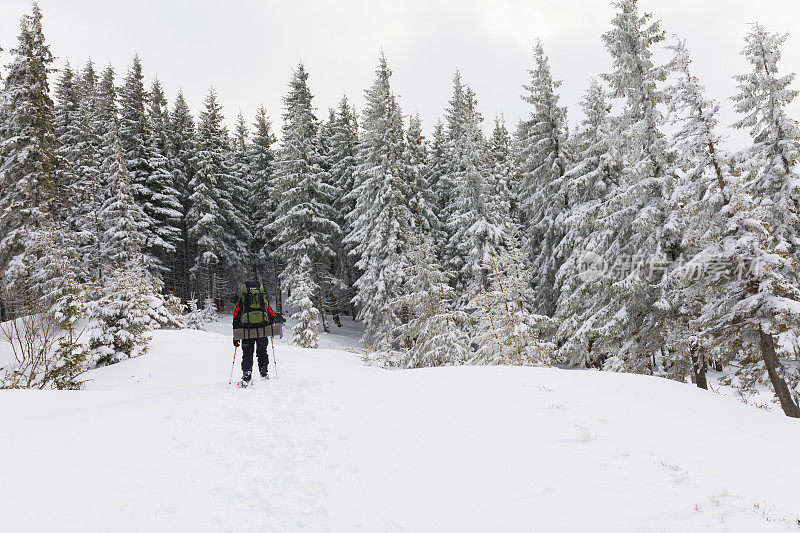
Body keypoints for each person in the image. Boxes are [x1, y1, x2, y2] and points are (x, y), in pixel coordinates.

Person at [233, 279, 281, 386]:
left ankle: (247, 376)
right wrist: (268, 324)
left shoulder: (243, 300)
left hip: (247, 331)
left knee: (247, 353)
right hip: (262, 331)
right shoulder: (262, 299)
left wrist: (235, 335)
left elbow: (235, 317)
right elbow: (272, 315)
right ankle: (264, 374)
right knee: (262, 352)